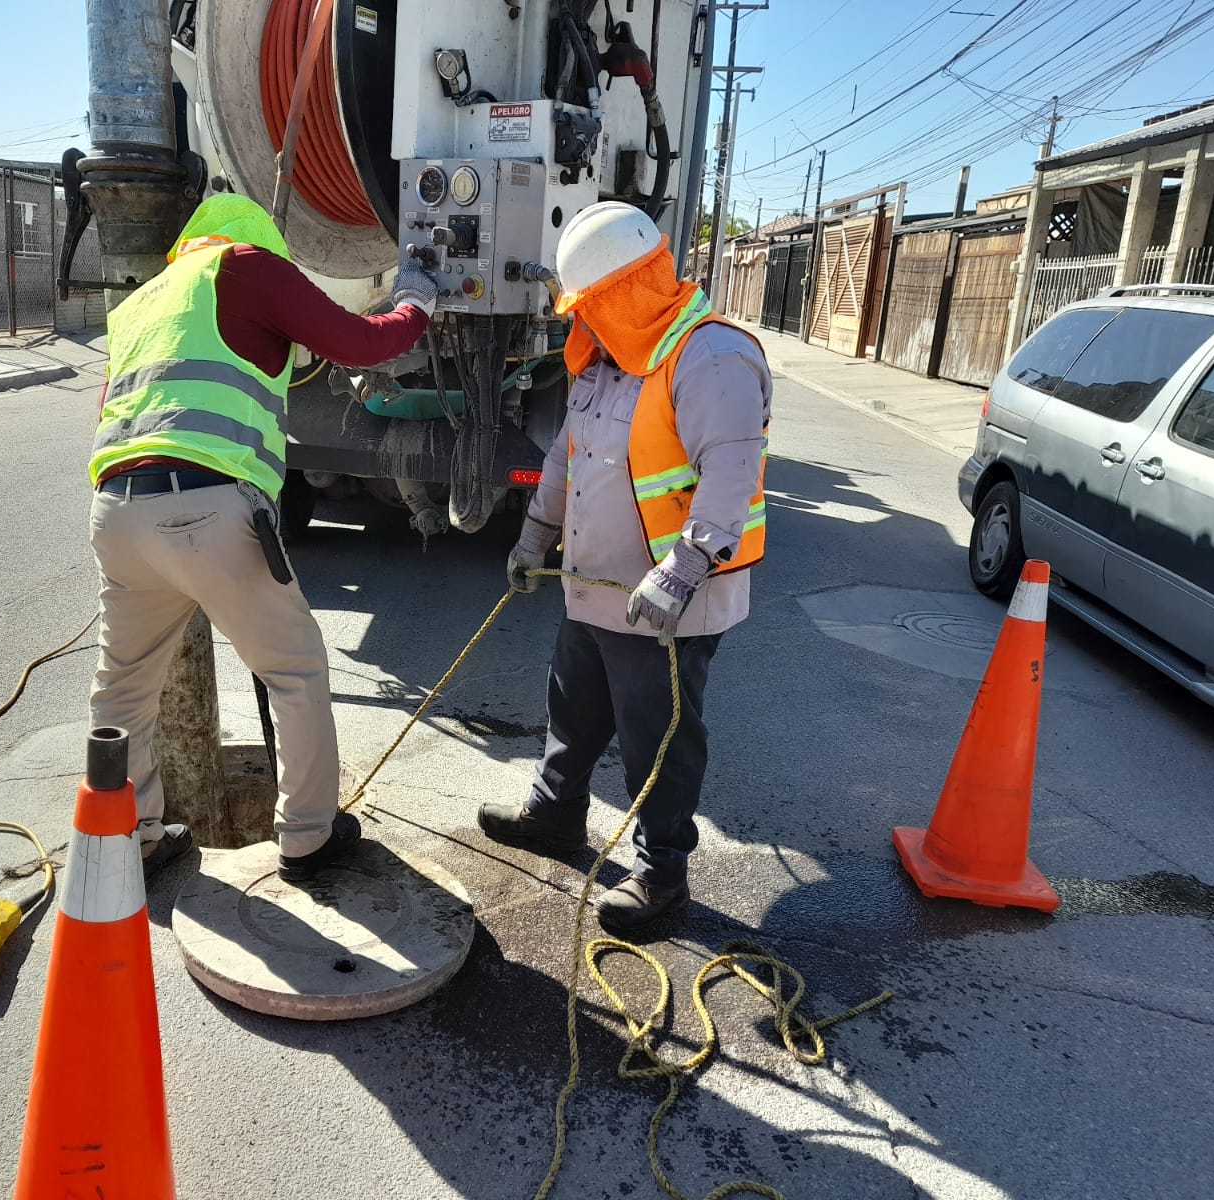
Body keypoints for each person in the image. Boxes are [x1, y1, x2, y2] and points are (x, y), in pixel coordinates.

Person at [89, 193, 437, 880]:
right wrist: (415, 304)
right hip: (206, 509)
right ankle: (308, 836)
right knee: (294, 671)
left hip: (116, 510)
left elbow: (112, 408)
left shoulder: (142, 301)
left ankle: (128, 840)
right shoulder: (247, 266)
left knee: (121, 690)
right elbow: (361, 344)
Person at [477, 201, 771, 931]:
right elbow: (566, 456)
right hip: (594, 585)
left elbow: (730, 472)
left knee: (656, 738)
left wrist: (683, 568)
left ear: (626, 292)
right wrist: (533, 536)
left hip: (672, 599)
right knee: (572, 706)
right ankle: (555, 815)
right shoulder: (608, 360)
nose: (584, 321)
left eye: (592, 306)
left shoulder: (710, 356)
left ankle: (662, 875)